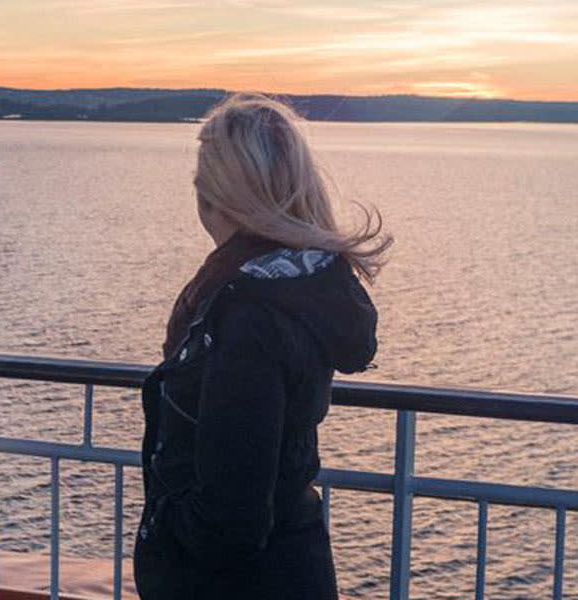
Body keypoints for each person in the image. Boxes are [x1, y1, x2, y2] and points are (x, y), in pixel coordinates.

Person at [133, 92, 392, 599]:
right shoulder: (301, 287)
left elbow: (231, 520)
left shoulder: (247, 316)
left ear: (215, 197)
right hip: (294, 563)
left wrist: (164, 524)